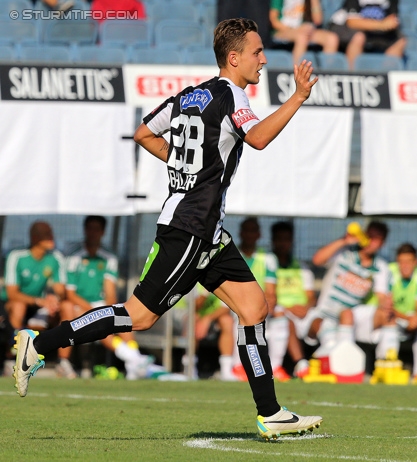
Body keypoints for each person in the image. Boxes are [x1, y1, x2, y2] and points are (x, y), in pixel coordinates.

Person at [13, 18, 322, 440]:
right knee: (137, 317)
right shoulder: (232, 94)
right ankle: (40, 344)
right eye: (257, 52)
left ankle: (271, 412)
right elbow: (259, 139)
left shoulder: (190, 96)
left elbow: (143, 132)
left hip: (207, 233)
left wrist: (186, 167)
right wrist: (299, 97)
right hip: (190, 229)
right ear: (234, 58)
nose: (263, 59)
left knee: (254, 308)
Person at [57, 216, 150, 380]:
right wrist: (97, 313)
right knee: (77, 312)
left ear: (103, 232)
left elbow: (110, 291)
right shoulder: (73, 257)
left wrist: (110, 311)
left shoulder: (109, 257)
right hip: (78, 305)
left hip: (98, 304)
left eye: (97, 229)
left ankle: (134, 358)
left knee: (122, 317)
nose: (93, 233)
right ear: (85, 230)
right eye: (90, 228)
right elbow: (70, 294)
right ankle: (63, 362)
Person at [308, 221, 391, 356]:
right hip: (324, 313)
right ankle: (338, 360)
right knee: (329, 338)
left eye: (376, 239)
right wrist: (344, 240)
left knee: (385, 316)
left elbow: (381, 297)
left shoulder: (381, 267)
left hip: (350, 317)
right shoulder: (344, 253)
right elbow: (317, 260)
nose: (371, 241)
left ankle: (387, 364)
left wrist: (387, 304)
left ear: (382, 243)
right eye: (369, 235)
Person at [234, 217, 291, 382]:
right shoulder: (233, 255)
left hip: (259, 306)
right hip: (235, 305)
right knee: (238, 315)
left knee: (280, 316)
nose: (250, 234)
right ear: (240, 233)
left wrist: (267, 306)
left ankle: (275, 367)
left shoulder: (268, 258)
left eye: (254, 230)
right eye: (247, 230)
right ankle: (239, 366)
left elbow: (271, 291)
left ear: (259, 234)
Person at [270, 220, 316, 378]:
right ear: (273, 241)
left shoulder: (301, 267)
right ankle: (301, 364)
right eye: (279, 239)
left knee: (323, 322)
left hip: (303, 313)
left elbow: (311, 297)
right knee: (285, 320)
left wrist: (306, 307)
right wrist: (288, 309)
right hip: (279, 312)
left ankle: (327, 364)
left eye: (286, 239)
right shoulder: (269, 265)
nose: (283, 243)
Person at [2, 221, 66, 333]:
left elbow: (60, 291)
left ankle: (41, 347)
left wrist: (54, 299)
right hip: (10, 304)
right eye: (47, 234)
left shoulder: (56, 257)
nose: (52, 237)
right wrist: (38, 301)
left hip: (38, 305)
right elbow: (12, 294)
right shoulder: (16, 256)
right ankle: (13, 347)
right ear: (35, 238)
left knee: (60, 309)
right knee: (19, 307)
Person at [387, 243, 417, 378]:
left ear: (416, 262)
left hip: (410, 318)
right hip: (394, 318)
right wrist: (407, 319)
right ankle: (388, 368)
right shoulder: (390, 273)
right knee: (389, 320)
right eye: (401, 262)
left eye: (408, 261)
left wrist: (416, 318)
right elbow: (387, 306)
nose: (405, 266)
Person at [328, 0, 406, 70]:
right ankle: (352, 75)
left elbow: (392, 21)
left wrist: (385, 25)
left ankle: (384, 77)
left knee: (400, 41)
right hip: (342, 27)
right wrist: (381, 25)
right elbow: (352, 22)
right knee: (359, 37)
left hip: (372, 31)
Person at [269, 0, 339, 65]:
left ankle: (326, 74)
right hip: (283, 30)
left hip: (304, 30)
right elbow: (274, 21)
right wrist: (294, 29)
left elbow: (318, 20)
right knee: (302, 37)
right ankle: (298, 72)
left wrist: (314, 2)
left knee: (331, 38)